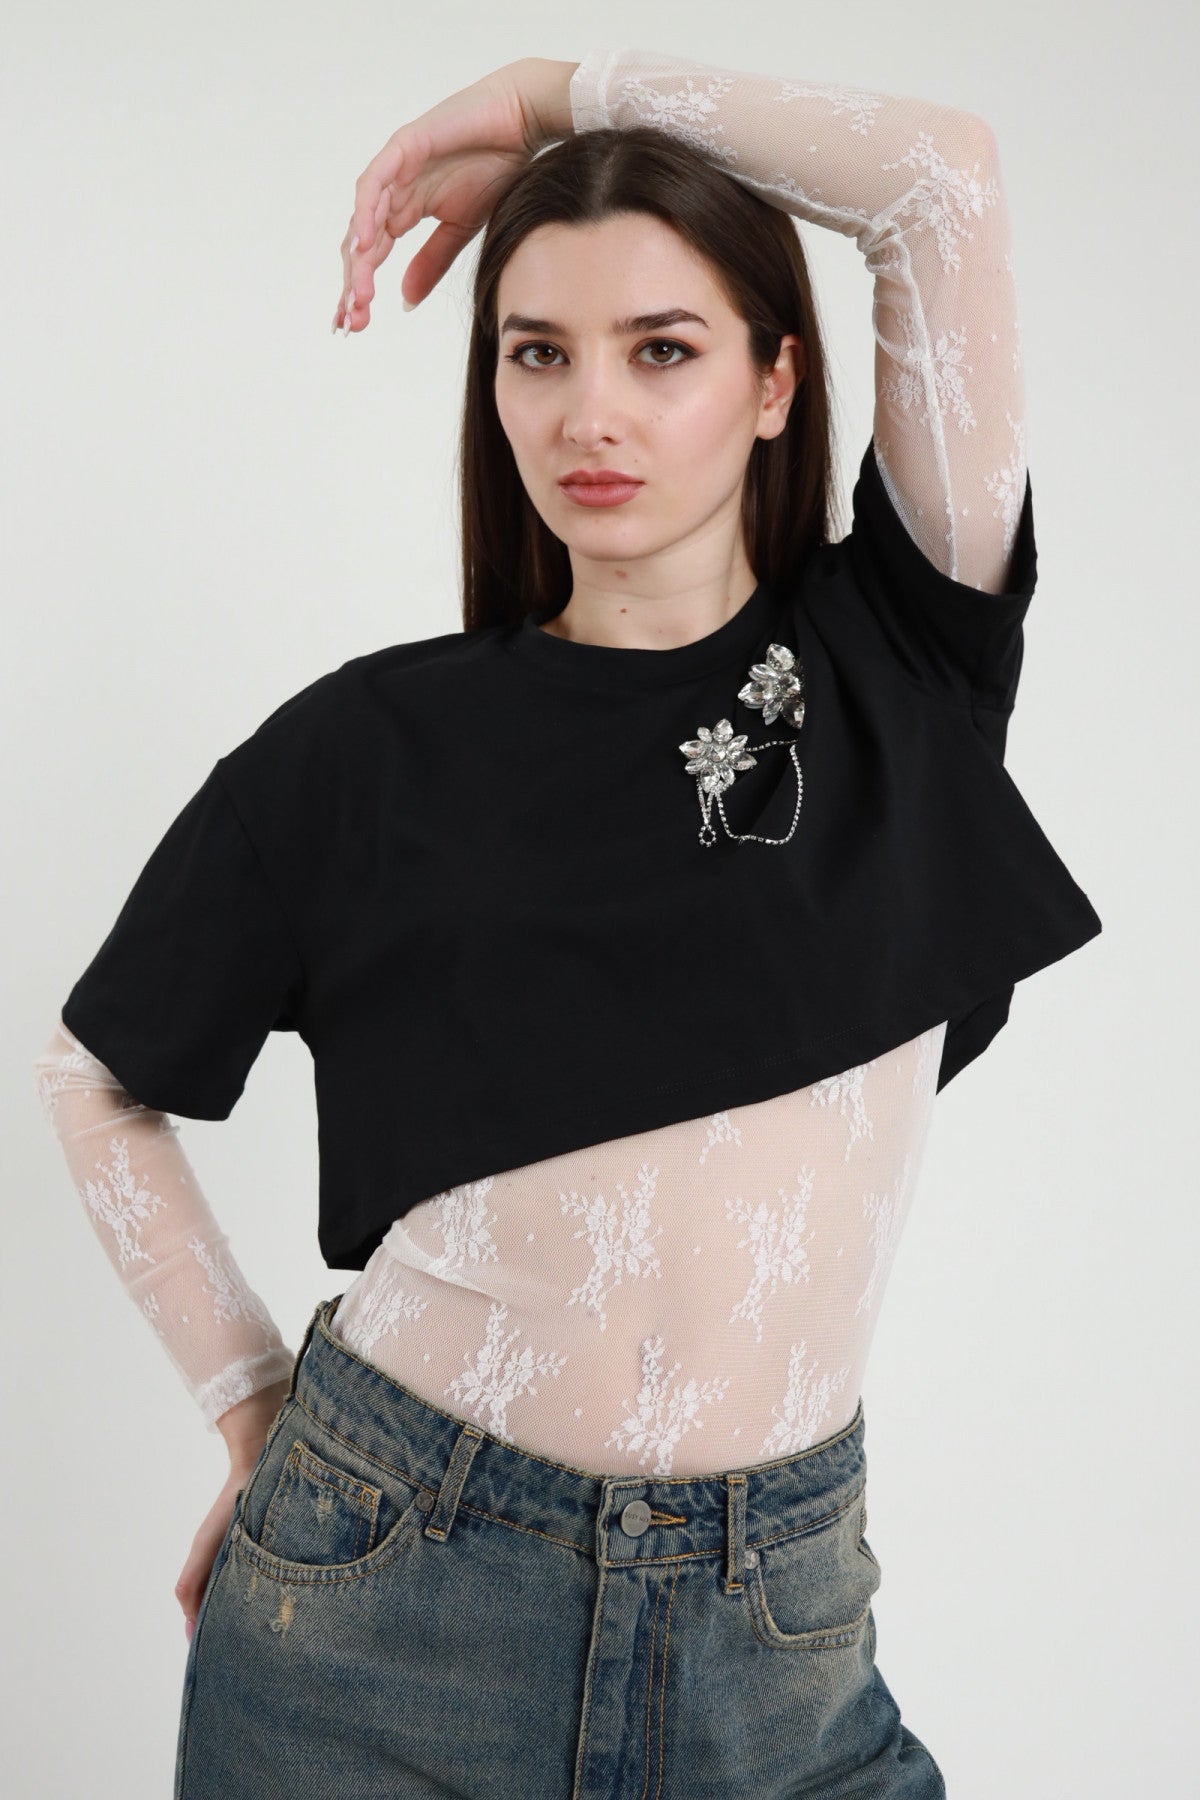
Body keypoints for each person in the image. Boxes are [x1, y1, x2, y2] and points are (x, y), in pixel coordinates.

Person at [35, 49, 1102, 1798]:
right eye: (538, 352)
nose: (588, 413)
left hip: (783, 1643)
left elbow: (940, 177)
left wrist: (559, 98)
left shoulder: (899, 660)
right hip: (379, 1611)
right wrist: (253, 1405)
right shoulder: (366, 751)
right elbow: (96, 1076)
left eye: (660, 350)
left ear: (776, 381)